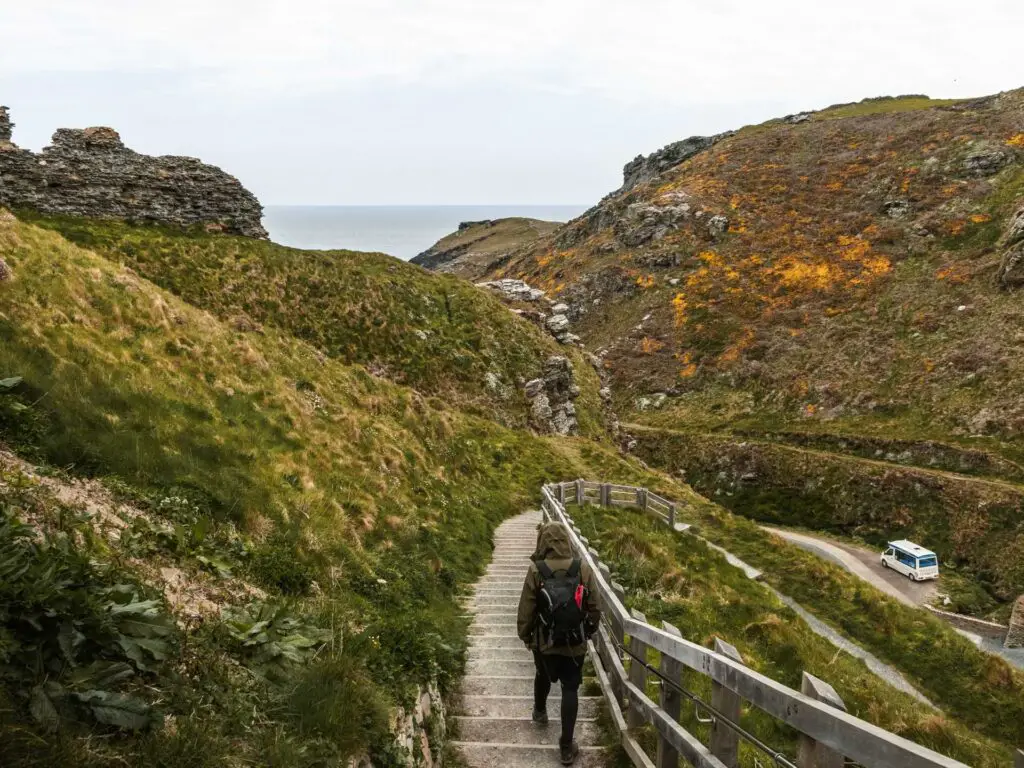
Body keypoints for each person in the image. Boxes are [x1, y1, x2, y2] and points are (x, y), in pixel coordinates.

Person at [517, 521, 601, 765]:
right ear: (566, 541)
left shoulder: (536, 569)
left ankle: (540, 712)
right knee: (571, 688)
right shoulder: (582, 568)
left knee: (542, 675)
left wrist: (525, 635)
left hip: (545, 642)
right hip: (574, 642)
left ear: (543, 541)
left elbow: (527, 608)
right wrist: (588, 630)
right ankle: (566, 746)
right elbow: (595, 606)